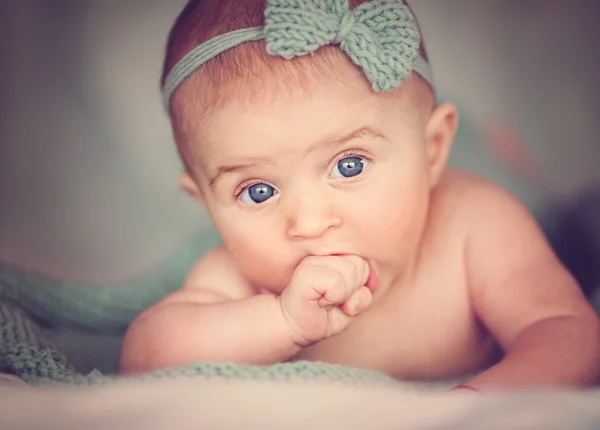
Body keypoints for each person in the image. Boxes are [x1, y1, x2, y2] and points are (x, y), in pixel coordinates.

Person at [118, 0, 600, 391]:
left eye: (350, 165)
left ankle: (507, 155)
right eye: (258, 191)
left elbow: (567, 331)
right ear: (205, 201)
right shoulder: (242, 277)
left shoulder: (477, 226)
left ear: (432, 150)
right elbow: (144, 357)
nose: (308, 222)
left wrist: (476, 406)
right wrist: (282, 321)